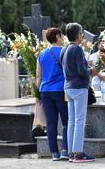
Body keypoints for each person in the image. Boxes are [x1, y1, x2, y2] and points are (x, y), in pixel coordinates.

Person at [61, 23, 98, 163]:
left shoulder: (64, 49)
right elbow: (81, 72)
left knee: (71, 121)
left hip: (68, 87)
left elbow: (65, 66)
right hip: (78, 87)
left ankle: (71, 153)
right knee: (79, 121)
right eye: (81, 33)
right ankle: (78, 154)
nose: (82, 35)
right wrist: (92, 71)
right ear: (78, 35)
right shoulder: (77, 49)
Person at [36, 28, 68, 161]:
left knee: (51, 123)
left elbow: (38, 75)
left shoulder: (42, 54)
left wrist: (40, 91)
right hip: (60, 90)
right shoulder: (63, 52)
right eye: (61, 35)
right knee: (66, 121)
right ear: (57, 36)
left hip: (45, 91)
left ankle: (54, 153)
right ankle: (65, 150)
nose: (63, 38)